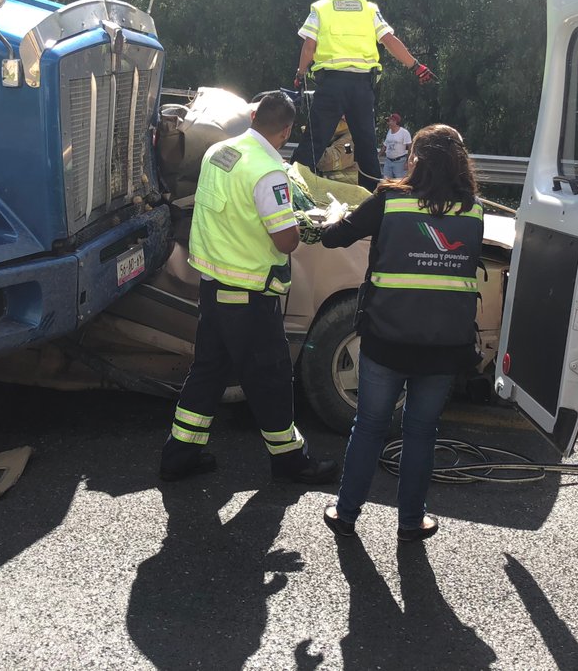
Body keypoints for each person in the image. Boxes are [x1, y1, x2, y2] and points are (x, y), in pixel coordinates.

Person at [160, 91, 339, 485]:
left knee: (207, 371)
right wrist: (306, 225)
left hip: (213, 286)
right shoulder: (269, 172)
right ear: (287, 130)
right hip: (248, 293)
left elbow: (235, 209)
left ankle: (178, 456)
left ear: (254, 114)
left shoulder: (219, 153)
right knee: (271, 377)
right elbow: (285, 241)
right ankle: (291, 461)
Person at [318, 124, 484, 541]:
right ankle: (411, 520)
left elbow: (333, 238)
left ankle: (346, 512)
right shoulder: (474, 211)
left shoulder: (389, 201)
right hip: (444, 345)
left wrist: (336, 216)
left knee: (370, 425)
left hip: (387, 338)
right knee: (421, 432)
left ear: (415, 160)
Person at [291, 0, 432, 189]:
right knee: (366, 146)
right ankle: (372, 200)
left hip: (331, 85)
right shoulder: (370, 10)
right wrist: (416, 66)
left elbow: (309, 47)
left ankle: (292, 189)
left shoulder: (320, 8)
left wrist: (300, 73)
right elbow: (389, 40)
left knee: (314, 141)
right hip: (361, 88)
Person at [379, 113, 411, 179]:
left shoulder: (404, 132)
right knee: (386, 181)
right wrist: (378, 155)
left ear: (395, 121)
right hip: (388, 161)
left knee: (400, 182)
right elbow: (385, 145)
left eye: (389, 121)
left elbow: (410, 147)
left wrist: (407, 162)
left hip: (400, 162)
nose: (388, 123)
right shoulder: (389, 132)